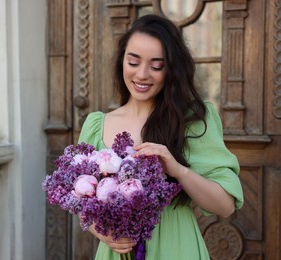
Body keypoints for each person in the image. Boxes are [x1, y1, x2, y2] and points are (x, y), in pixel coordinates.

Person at [78, 14, 244, 259]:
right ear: (121, 61)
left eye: (156, 66)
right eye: (133, 62)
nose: (142, 74)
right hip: (117, 252)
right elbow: (81, 202)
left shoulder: (192, 120)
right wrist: (102, 232)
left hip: (176, 246)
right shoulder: (96, 124)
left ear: (171, 70)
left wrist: (178, 170)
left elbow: (225, 206)